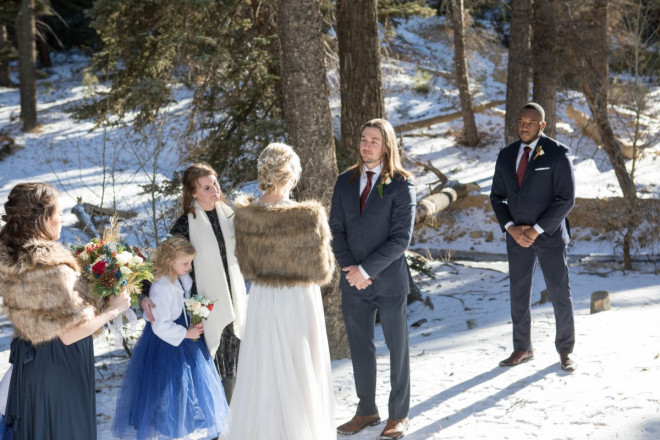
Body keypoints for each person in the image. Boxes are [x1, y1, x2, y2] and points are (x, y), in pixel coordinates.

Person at [0, 182, 131, 440]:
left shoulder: (15, 260)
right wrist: (114, 309)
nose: (62, 219)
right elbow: (71, 333)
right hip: (58, 371)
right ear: (42, 219)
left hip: (33, 369)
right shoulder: (51, 269)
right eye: (58, 213)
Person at [229, 143, 336, 440]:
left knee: (264, 362)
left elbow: (245, 262)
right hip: (300, 297)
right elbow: (322, 271)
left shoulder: (247, 215)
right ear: (291, 176)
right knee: (300, 361)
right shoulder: (308, 216)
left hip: (263, 295)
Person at [329, 119, 417, 440]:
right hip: (352, 282)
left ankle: (398, 415)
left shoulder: (402, 184)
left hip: (389, 281)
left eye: (373, 141)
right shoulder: (345, 181)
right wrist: (351, 269)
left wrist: (366, 270)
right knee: (360, 347)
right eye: (363, 140)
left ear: (386, 146)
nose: (366, 146)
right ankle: (366, 409)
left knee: (398, 347)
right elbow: (335, 229)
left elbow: (400, 239)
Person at [141, 163, 247, 402]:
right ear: (193, 193)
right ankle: (221, 428)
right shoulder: (185, 224)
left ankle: (238, 424)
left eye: (215, 184)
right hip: (206, 306)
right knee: (219, 370)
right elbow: (161, 260)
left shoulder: (231, 217)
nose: (214, 191)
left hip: (237, 300)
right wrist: (145, 293)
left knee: (239, 366)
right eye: (207, 187)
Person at [113, 236, 229, 439]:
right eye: (185, 263)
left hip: (183, 337)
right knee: (168, 386)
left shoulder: (179, 279)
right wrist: (185, 333)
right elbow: (159, 326)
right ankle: (167, 427)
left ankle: (182, 422)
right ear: (169, 261)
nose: (190, 267)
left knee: (186, 385)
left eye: (190, 262)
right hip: (167, 343)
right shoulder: (160, 289)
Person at [490, 102, 577, 372]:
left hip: (548, 235)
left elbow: (566, 199)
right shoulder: (506, 155)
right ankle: (522, 348)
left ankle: (565, 351)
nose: (524, 126)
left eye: (530, 122)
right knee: (519, 293)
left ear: (542, 125)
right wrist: (511, 228)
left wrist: (536, 229)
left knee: (559, 292)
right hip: (516, 237)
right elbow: (497, 197)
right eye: (521, 122)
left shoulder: (556, 154)